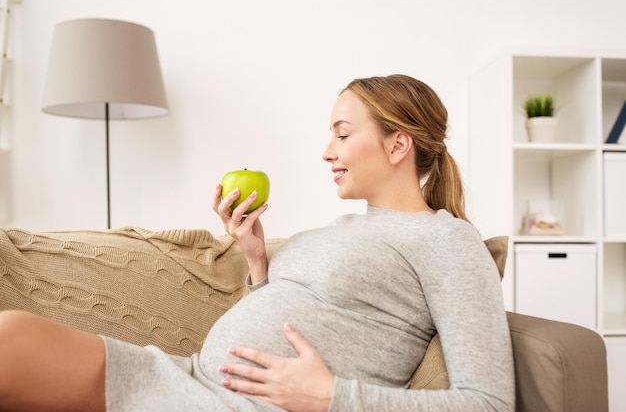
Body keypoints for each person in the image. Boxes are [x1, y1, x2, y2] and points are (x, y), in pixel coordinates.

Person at [0, 74, 515, 412]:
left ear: (397, 143)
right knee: (12, 336)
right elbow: (301, 316)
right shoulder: (343, 228)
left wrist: (330, 397)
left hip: (240, 408)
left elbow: (488, 402)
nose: (326, 151)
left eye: (341, 133)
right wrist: (255, 262)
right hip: (188, 379)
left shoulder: (447, 239)